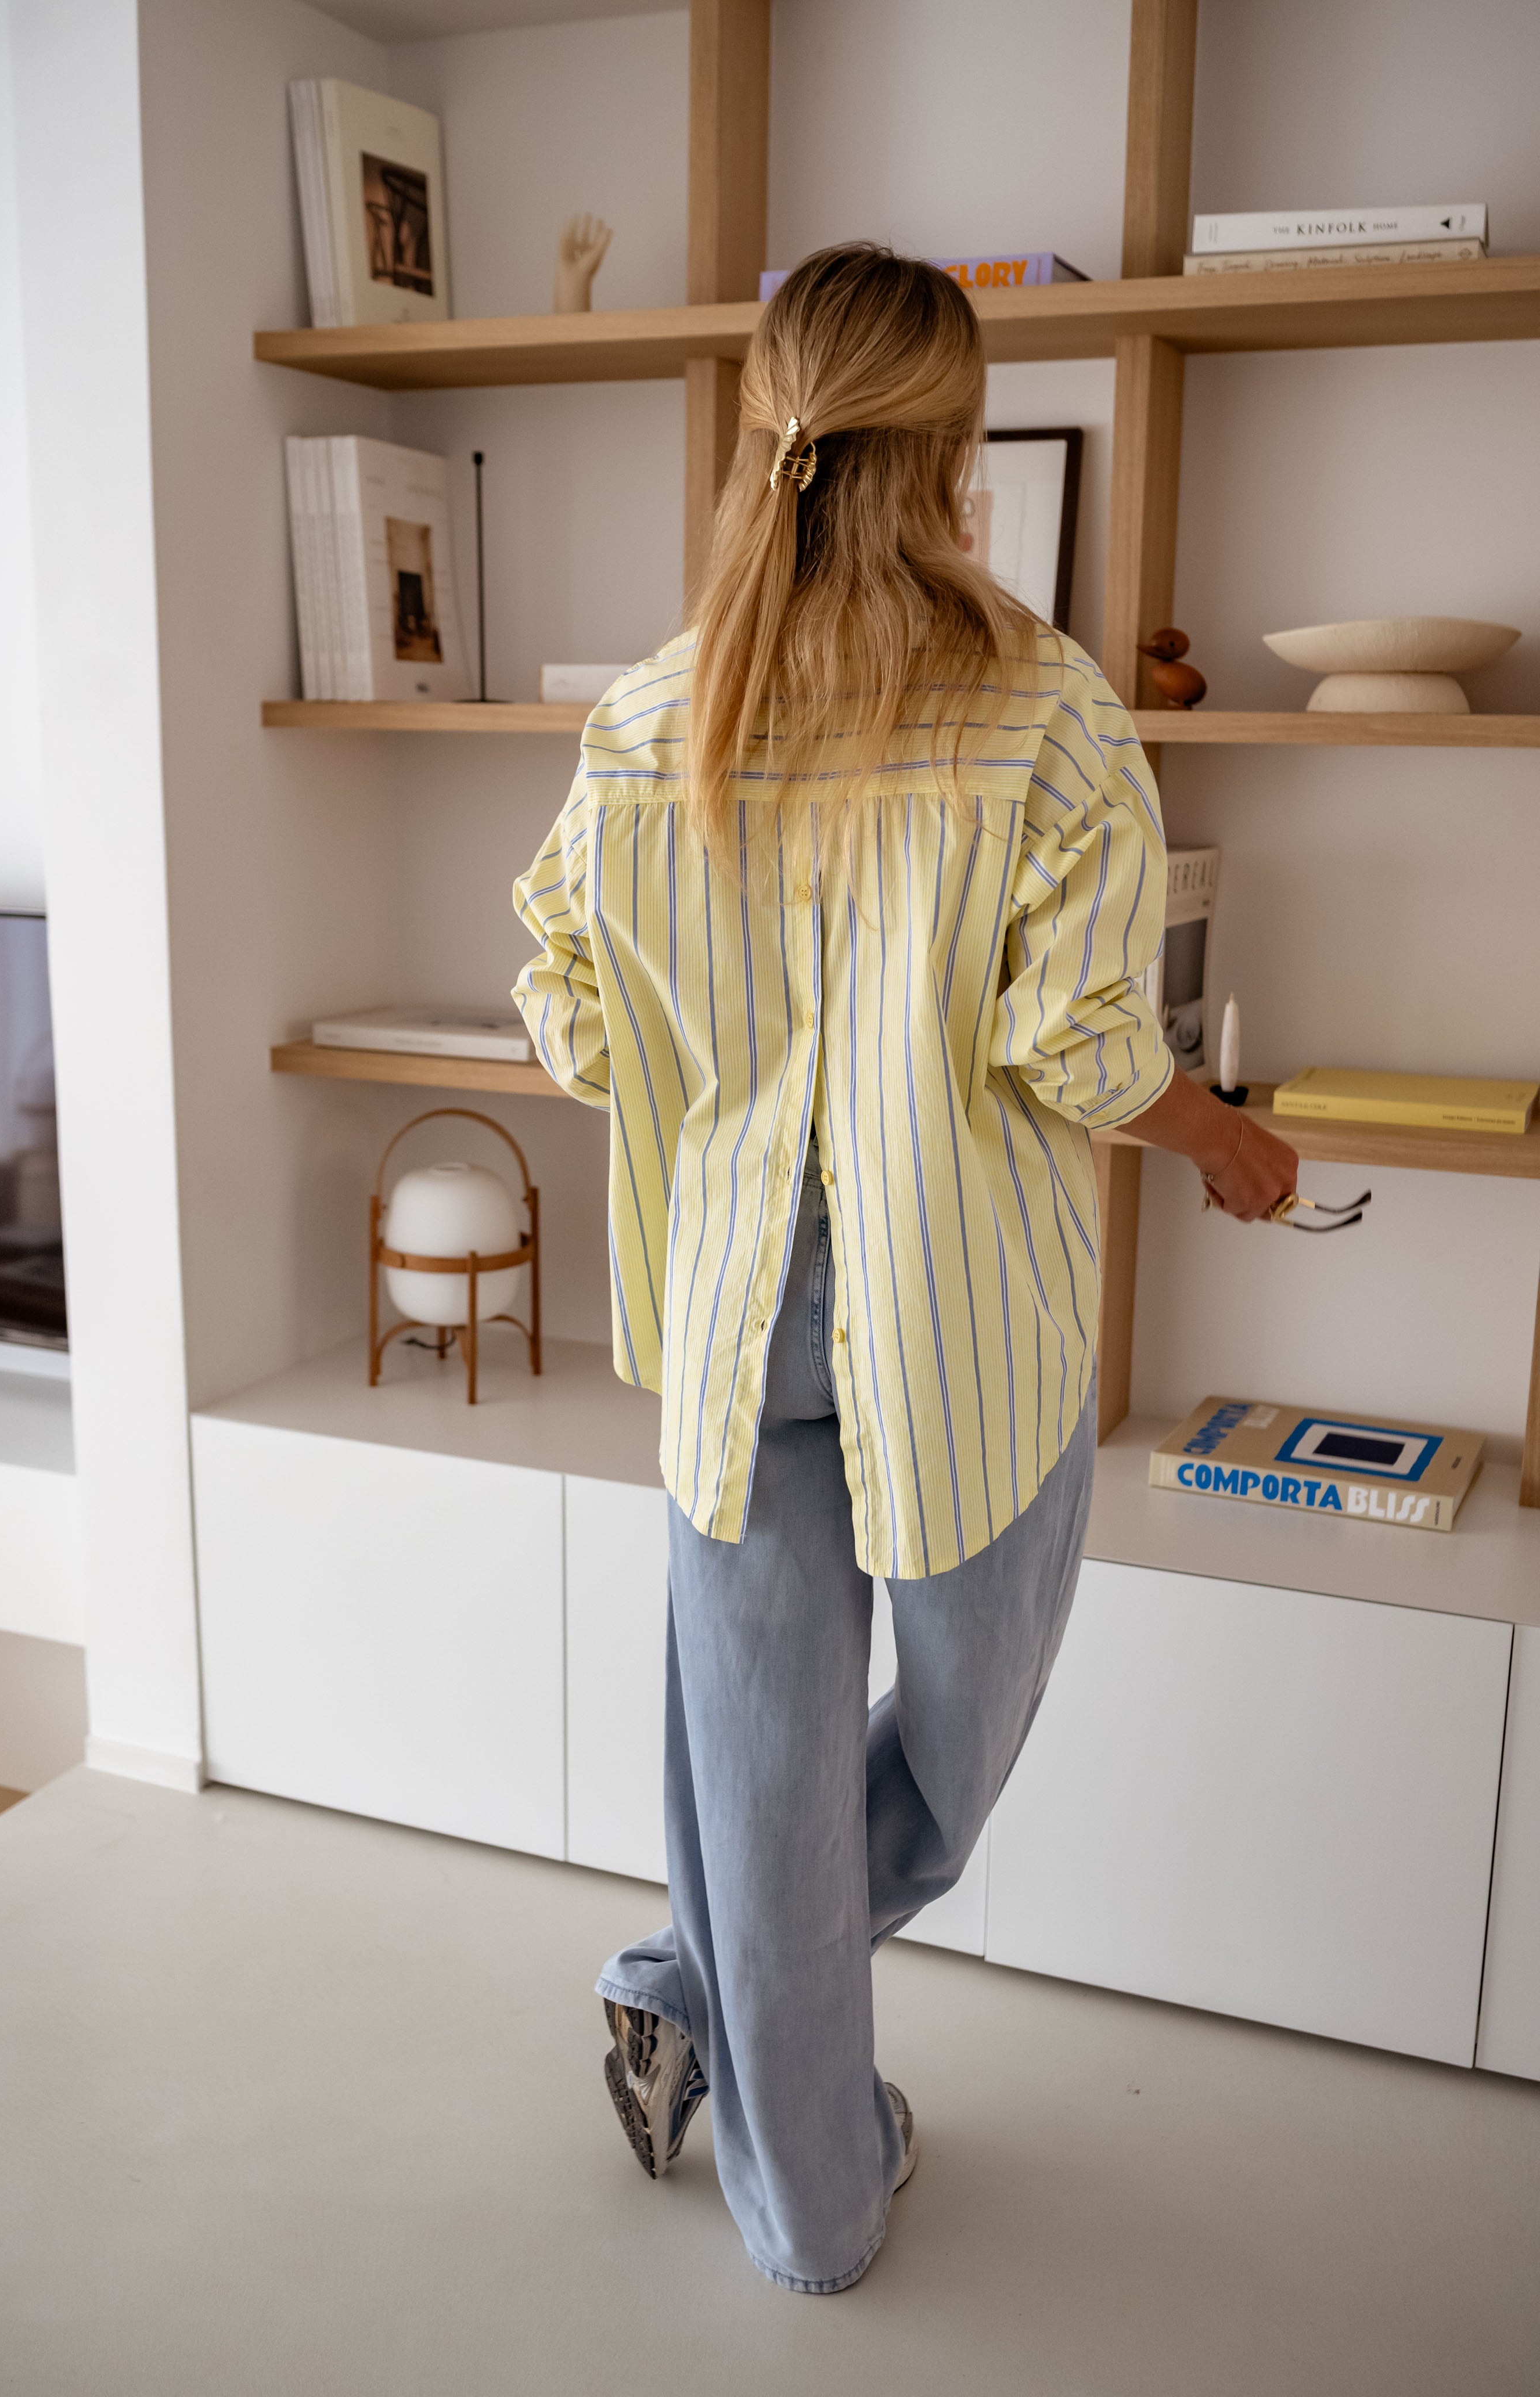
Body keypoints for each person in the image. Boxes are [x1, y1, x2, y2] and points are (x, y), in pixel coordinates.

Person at [512, 243, 1298, 2296]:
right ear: (957, 452)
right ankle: (771, 2102)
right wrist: (1224, 1138)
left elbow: (567, 1010)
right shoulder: (1044, 708)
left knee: (768, 1784)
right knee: (948, 1757)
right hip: (969, 1327)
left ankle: (763, 2117)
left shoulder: (655, 711)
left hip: (730, 1324)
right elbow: (1083, 1042)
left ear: (759, 429)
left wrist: (699, 1059)